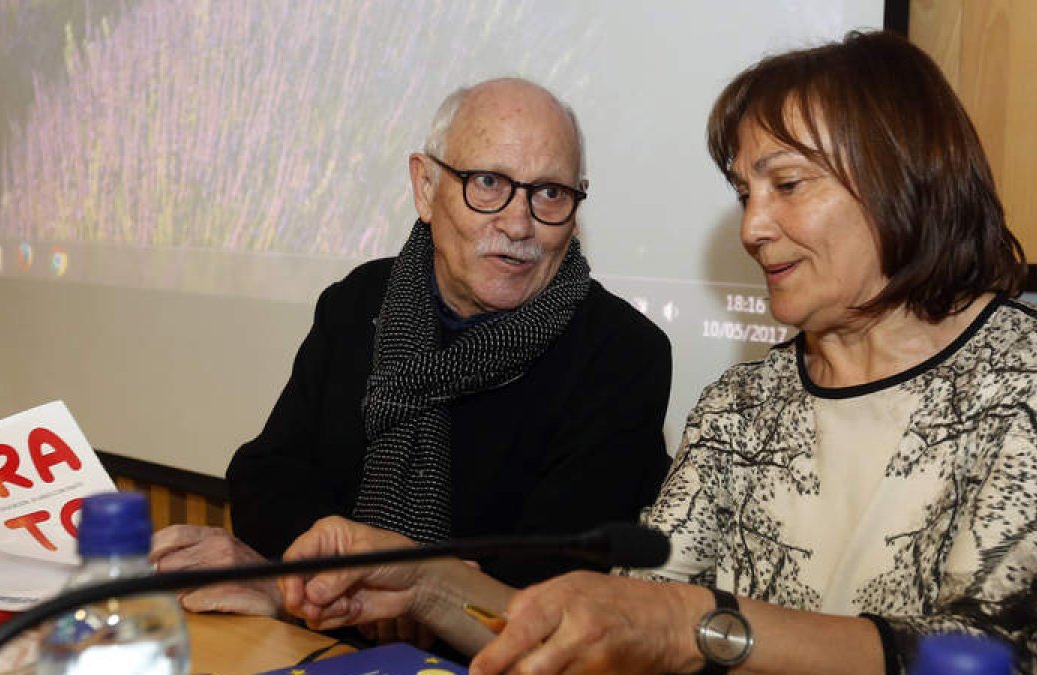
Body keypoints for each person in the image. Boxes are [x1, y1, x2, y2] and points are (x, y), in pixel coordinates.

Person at [274, 31, 1037, 674]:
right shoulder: (744, 409)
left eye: (786, 184)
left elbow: (992, 658)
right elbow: (615, 626)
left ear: (905, 176)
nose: (751, 225)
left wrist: (694, 624)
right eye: (744, 190)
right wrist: (424, 583)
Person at [149, 77, 673, 635]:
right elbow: (266, 474)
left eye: (549, 193)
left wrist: (394, 582)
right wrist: (330, 569)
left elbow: (550, 582)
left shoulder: (623, 354)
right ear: (425, 186)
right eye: (489, 183)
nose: (519, 224)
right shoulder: (357, 303)